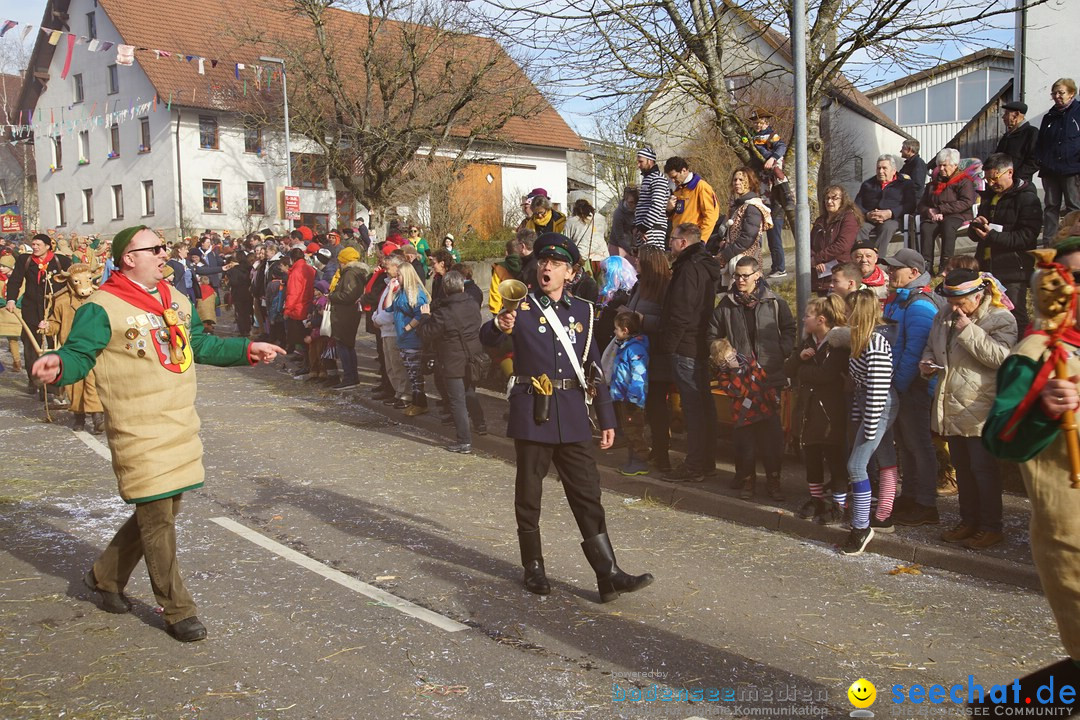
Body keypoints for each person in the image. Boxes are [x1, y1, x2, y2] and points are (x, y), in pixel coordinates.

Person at [30, 225, 285, 642]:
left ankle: (104, 578)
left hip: (179, 422)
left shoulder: (176, 300)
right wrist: (59, 365)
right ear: (128, 258)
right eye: (155, 248)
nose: (164, 254)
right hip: (137, 426)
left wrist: (245, 349)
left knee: (163, 510)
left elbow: (198, 346)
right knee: (156, 519)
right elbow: (79, 353)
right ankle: (178, 609)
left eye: (164, 247)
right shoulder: (102, 306)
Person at [479, 232, 653, 602]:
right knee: (529, 494)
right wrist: (499, 325)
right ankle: (534, 567)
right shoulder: (520, 307)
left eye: (556, 264)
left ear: (571, 272)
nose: (547, 267)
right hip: (533, 411)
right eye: (543, 261)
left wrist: (607, 418)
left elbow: (593, 369)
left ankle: (607, 573)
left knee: (588, 494)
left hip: (573, 412)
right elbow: (488, 339)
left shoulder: (585, 312)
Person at [979, 236, 1080, 715]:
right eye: (1074, 277)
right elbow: (1000, 437)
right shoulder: (1037, 352)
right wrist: (1043, 406)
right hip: (1073, 535)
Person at [918, 268, 1016, 550]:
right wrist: (926, 364)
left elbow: (1002, 358)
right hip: (950, 403)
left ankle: (991, 527)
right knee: (963, 468)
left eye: (961, 302)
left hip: (980, 406)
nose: (954, 307)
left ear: (978, 295)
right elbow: (930, 347)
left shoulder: (1000, 318)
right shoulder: (943, 315)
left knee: (983, 469)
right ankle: (968, 520)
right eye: (951, 301)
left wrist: (969, 331)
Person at [707, 255, 797, 500]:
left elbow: (790, 329)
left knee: (771, 435)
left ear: (758, 275)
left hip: (769, 378)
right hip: (741, 381)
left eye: (745, 275)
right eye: (736, 275)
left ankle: (773, 481)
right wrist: (723, 358)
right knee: (743, 435)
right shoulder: (725, 305)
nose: (740, 280)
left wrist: (782, 351)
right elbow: (712, 336)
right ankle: (746, 480)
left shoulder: (775, 302)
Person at [658, 222, 723, 482]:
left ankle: (695, 465)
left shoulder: (688, 268)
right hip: (697, 342)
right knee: (703, 406)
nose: (670, 243)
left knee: (694, 409)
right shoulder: (705, 264)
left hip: (686, 344)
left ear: (683, 242)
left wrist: (669, 345)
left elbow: (682, 311)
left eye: (672, 239)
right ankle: (705, 462)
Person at [882, 248, 942, 529]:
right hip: (901, 386)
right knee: (907, 446)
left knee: (919, 445)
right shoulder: (901, 301)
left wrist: (896, 386)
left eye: (896, 268)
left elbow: (914, 352)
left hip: (913, 389)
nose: (890, 272)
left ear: (914, 273)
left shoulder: (919, 305)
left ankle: (926, 503)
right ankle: (911, 496)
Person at [785, 295, 850, 522]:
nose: (803, 320)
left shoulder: (837, 345)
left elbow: (826, 375)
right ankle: (817, 499)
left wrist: (802, 369)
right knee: (810, 454)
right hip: (808, 409)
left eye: (807, 316)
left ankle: (840, 505)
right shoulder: (808, 342)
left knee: (834, 457)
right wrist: (799, 360)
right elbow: (788, 367)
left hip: (830, 411)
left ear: (821, 319)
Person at [843, 289, 897, 556]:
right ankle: (884, 513)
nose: (844, 313)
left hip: (880, 403)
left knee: (856, 464)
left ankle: (861, 526)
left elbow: (877, 387)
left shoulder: (875, 343)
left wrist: (870, 425)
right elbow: (859, 386)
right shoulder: (860, 339)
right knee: (885, 455)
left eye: (848, 309)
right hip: (869, 402)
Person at [970, 152, 1042, 332]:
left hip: (1014, 269)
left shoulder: (1027, 198)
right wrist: (975, 227)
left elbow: (1027, 236)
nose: (991, 184)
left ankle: (1021, 354)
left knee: (1016, 315)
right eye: (987, 180)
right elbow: (976, 232)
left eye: (995, 178)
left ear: (1010, 172)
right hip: (986, 267)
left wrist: (991, 236)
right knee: (987, 315)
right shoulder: (989, 197)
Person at [418, 270, 484, 453]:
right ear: (462, 286)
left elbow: (426, 333)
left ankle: (464, 441)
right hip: (473, 357)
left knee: (457, 401)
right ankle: (481, 424)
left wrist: (424, 316)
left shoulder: (443, 313)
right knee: (470, 392)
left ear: (445, 290)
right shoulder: (472, 304)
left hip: (452, 360)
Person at [626, 245, 674, 472]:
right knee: (640, 405)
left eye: (639, 260)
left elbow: (668, 323)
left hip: (657, 355)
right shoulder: (639, 285)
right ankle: (645, 448)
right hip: (637, 354)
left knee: (656, 405)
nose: (635, 263)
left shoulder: (664, 288)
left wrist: (642, 320)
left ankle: (661, 451)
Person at [4, 233, 72, 390]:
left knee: (53, 343)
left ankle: (53, 382)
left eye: (38, 245)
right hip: (31, 308)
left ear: (48, 247)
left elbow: (72, 279)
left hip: (53, 309)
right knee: (30, 343)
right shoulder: (25, 260)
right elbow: (15, 280)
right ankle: (33, 379)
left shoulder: (60, 261)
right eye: (33, 244)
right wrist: (12, 299)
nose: (35, 247)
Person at [744, 109, 794, 279]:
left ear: (766, 122)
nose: (758, 126)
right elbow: (747, 146)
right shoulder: (751, 137)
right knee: (755, 234)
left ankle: (779, 267)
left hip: (774, 193)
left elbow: (781, 147)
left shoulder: (772, 135)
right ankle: (755, 267)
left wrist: (771, 157)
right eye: (756, 123)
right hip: (762, 191)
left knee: (775, 235)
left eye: (761, 123)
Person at [917, 148, 978, 275]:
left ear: (955, 165)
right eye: (939, 165)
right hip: (935, 216)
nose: (941, 169)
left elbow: (966, 202)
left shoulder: (964, 181)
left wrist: (940, 209)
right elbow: (922, 203)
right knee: (926, 228)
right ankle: (927, 264)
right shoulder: (932, 184)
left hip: (957, 214)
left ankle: (946, 264)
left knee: (948, 226)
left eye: (945, 165)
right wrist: (929, 211)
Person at [1035, 78, 1080, 243]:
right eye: (1054, 93)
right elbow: (1040, 142)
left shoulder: (1078, 112)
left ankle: (1073, 241)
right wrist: (1041, 160)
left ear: (1071, 94)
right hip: (1050, 170)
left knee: (1074, 208)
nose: (1057, 96)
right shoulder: (1049, 116)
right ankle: (1050, 242)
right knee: (1050, 207)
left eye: (1061, 92)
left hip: (1072, 169)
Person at [385, 261, 430, 416]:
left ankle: (420, 403)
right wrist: (391, 290)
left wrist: (408, 327)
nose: (397, 277)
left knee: (415, 373)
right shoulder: (401, 292)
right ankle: (416, 402)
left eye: (399, 275)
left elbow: (421, 313)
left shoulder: (416, 292)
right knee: (411, 372)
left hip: (411, 339)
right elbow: (388, 307)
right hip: (403, 338)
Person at [713, 167, 771, 287]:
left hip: (747, 262)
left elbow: (748, 238)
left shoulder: (752, 206)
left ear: (750, 183)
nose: (737, 183)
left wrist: (725, 255)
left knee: (752, 293)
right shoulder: (738, 205)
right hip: (736, 258)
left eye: (741, 179)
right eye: (735, 180)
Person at [610, 310, 650, 476]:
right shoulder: (626, 347)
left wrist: (633, 397)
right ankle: (633, 459)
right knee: (629, 430)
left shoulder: (635, 350)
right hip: (624, 396)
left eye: (616, 329)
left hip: (632, 399)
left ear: (625, 330)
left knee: (634, 430)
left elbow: (639, 375)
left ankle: (640, 461)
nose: (614, 332)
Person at [854, 155, 916, 257]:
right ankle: (863, 258)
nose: (880, 171)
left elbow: (910, 205)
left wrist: (890, 213)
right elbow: (856, 205)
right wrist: (867, 214)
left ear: (894, 170)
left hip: (893, 219)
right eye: (878, 168)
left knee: (887, 228)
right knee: (859, 228)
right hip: (870, 219)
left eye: (884, 168)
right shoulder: (868, 184)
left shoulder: (905, 184)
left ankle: (877, 259)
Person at [327, 246, 368, 390]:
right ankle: (351, 376)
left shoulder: (350, 274)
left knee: (344, 345)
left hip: (345, 314)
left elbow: (349, 295)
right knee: (347, 345)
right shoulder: (355, 272)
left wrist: (332, 296)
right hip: (348, 313)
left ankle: (350, 377)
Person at [811, 185, 861, 294]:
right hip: (819, 275)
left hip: (839, 270)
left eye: (834, 198)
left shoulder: (849, 218)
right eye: (827, 198)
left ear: (843, 201)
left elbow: (843, 244)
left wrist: (819, 257)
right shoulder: (820, 220)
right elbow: (810, 244)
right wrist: (815, 259)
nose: (829, 201)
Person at [665, 156, 720, 244]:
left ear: (683, 170)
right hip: (677, 241)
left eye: (674, 177)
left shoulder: (701, 187)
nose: (672, 180)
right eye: (670, 178)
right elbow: (678, 216)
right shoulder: (678, 190)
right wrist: (669, 210)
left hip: (692, 242)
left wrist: (701, 241)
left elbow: (711, 216)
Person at [283, 247, 315, 372]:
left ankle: (307, 364)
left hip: (298, 308)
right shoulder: (309, 269)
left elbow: (293, 293)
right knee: (307, 338)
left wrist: (287, 310)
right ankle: (308, 363)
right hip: (307, 305)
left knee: (302, 339)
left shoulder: (296, 272)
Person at [633, 147, 671, 249]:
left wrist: (643, 228)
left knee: (653, 262)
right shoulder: (647, 179)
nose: (638, 165)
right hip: (645, 230)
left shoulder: (658, 178)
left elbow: (657, 205)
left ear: (650, 161)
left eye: (641, 161)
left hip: (653, 230)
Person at [994, 100, 1039, 182]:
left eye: (1006, 113)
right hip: (1001, 181)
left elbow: (1035, 161)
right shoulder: (1007, 136)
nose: (1003, 117)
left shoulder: (1031, 133)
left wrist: (1016, 176)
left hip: (1019, 183)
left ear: (1016, 115)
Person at [565, 199, 608, 275]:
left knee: (584, 285)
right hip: (603, 258)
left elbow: (566, 241)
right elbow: (605, 235)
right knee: (603, 285)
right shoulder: (601, 218)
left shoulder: (571, 222)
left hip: (582, 260)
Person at [0, 254, 23, 373]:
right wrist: (3, 302)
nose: (1, 268)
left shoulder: (21, 279)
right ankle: (17, 361)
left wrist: (17, 304)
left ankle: (18, 361)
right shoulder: (1, 281)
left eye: (4, 266)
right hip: (3, 312)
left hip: (18, 312)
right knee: (11, 338)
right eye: (0, 265)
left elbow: (23, 293)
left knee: (17, 336)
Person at [607, 186, 639, 259]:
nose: (634, 205)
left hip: (632, 245)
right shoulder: (618, 214)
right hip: (617, 245)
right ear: (625, 199)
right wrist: (630, 250)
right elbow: (620, 237)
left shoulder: (638, 211)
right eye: (631, 202)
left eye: (636, 202)